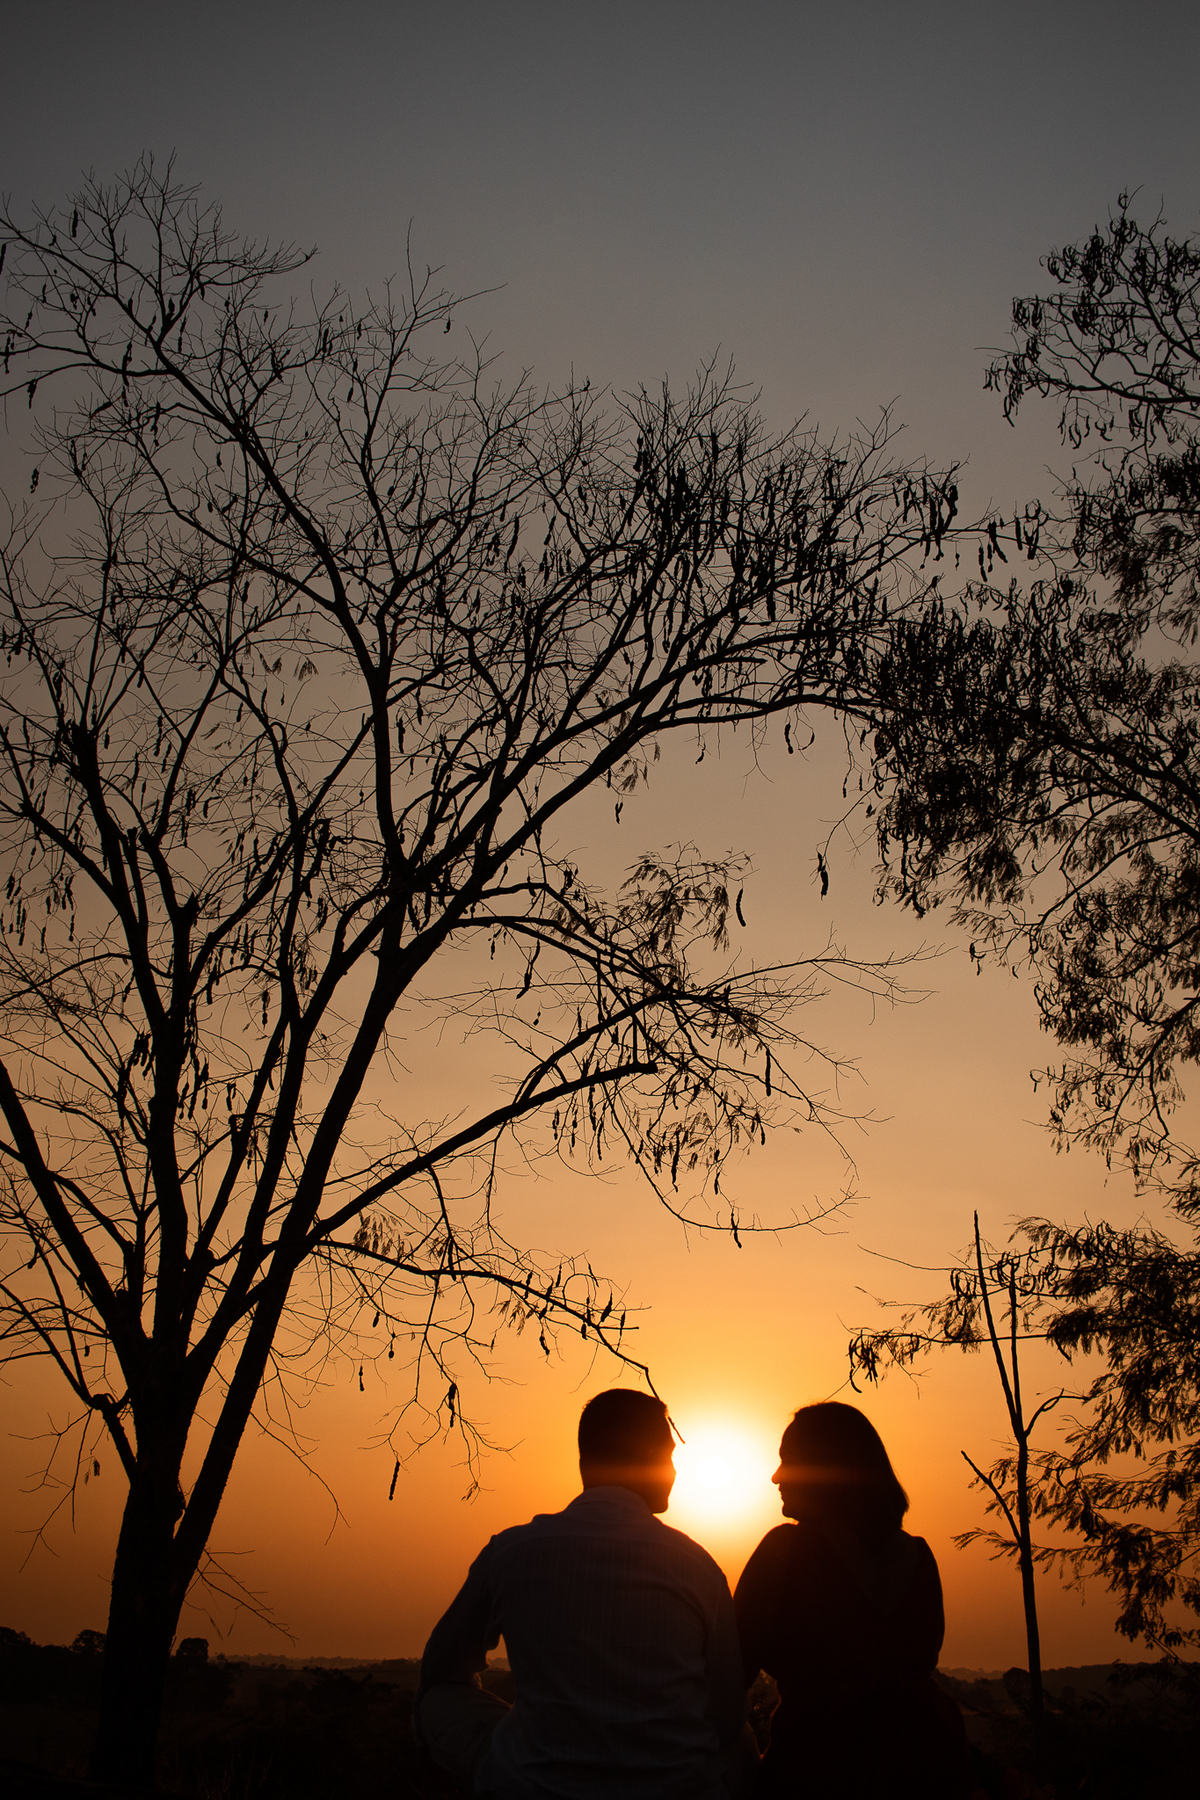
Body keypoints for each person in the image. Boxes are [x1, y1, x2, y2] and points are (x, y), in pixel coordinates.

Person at [416, 1388, 755, 1799]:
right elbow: (724, 1716)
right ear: (647, 1455)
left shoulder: (511, 1552)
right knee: (745, 1738)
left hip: (533, 1785)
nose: (675, 1471)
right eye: (668, 1456)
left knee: (436, 1700)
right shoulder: (698, 1566)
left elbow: (441, 1669)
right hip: (674, 1787)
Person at [734, 1402, 972, 1800]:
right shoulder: (921, 1558)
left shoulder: (786, 1552)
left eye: (788, 1461)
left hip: (816, 1772)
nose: (776, 1476)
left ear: (828, 1471)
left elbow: (727, 1680)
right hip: (929, 1771)